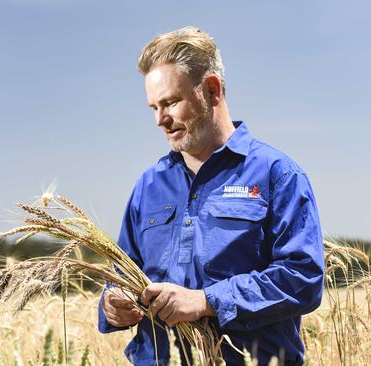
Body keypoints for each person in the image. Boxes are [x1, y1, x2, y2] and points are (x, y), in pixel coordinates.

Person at [98, 26, 324, 366]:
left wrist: (207, 301)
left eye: (171, 102)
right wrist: (112, 304)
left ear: (212, 90)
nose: (161, 120)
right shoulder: (148, 186)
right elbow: (121, 272)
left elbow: (302, 278)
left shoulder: (277, 174)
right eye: (153, 107)